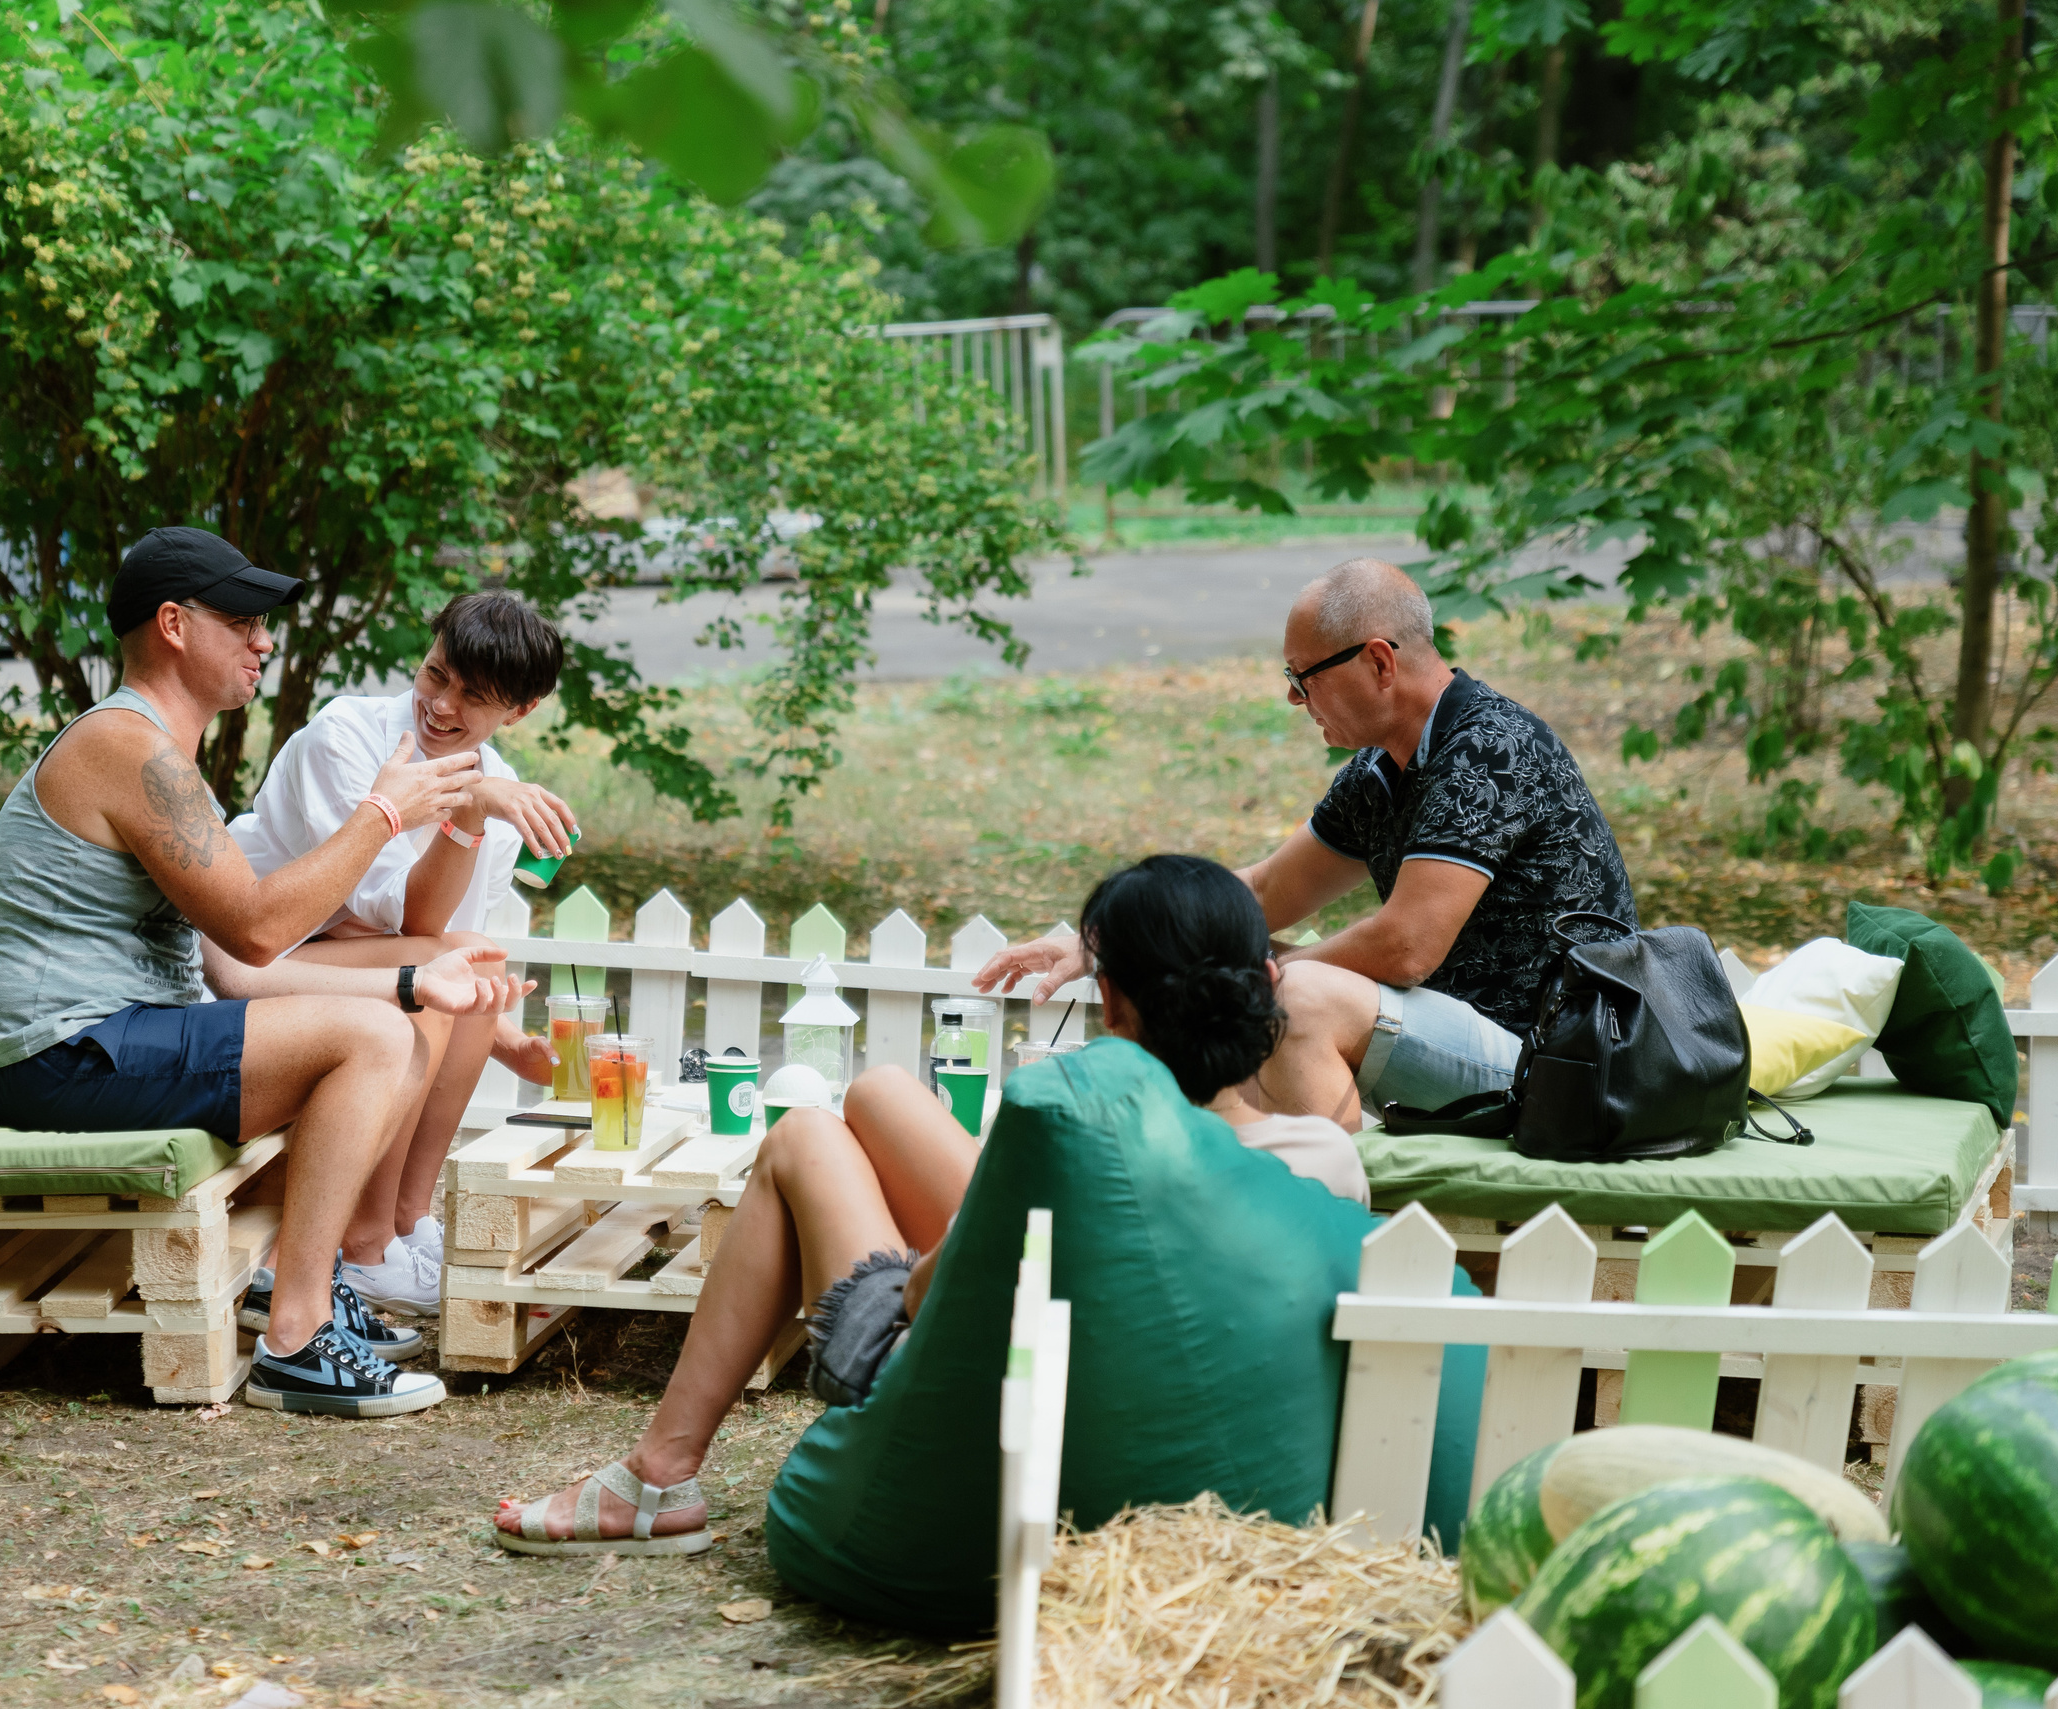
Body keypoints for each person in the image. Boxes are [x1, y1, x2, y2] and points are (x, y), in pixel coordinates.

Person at [487, 854, 1360, 1553]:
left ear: (1110, 1000)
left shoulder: (1081, 1143)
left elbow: (920, 1294)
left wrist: (985, 1217)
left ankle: (658, 1472)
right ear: (1269, 980)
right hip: (1157, 1420)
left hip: (973, 1401)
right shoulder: (1324, 1158)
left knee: (803, 1138)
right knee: (879, 1093)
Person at [0, 525, 534, 1418]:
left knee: (391, 1025)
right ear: (173, 625)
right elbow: (261, 927)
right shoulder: (126, 746)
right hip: (67, 1054)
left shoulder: (159, 750)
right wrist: (385, 813)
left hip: (116, 1037)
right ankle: (297, 1339)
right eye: (241, 622)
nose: (264, 641)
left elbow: (233, 972)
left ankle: (294, 1283)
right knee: (374, 1042)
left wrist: (409, 985)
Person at [976, 557, 1635, 1129]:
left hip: (1563, 1060)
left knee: (1289, 996)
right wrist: (1110, 940)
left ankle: (1317, 1202)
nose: (1295, 698)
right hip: (1483, 1041)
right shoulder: (1379, 771)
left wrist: (1263, 976)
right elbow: (1266, 890)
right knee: (1251, 969)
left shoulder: (1489, 750)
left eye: (1303, 676)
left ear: (1379, 661)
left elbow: (1405, 947)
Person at [203, 591, 577, 1320]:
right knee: (440, 970)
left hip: (335, 961)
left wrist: (513, 1046)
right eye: (436, 674)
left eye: (473, 697)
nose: (440, 705)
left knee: (471, 961)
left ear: (519, 710)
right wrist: (469, 809)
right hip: (249, 963)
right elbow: (406, 920)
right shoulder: (345, 737)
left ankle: (408, 1219)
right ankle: (366, 1245)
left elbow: (430, 941)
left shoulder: (498, 795)